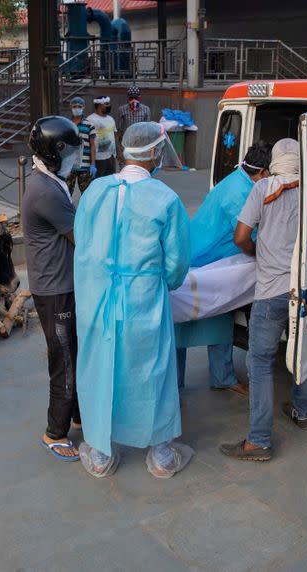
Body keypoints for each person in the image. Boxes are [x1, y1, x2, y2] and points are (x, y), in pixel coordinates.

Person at [74, 122, 193, 478]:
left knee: (100, 368)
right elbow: (176, 262)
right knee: (150, 371)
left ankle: (100, 451)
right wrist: (163, 284)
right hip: (143, 299)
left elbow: (82, 242)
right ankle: (160, 454)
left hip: (97, 297)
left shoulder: (95, 191)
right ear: (155, 154)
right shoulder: (166, 199)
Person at [220, 138, 307, 462]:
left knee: (259, 362)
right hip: (305, 289)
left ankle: (258, 441)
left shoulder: (263, 189)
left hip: (272, 291)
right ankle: (301, 410)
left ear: (274, 162)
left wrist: (259, 253)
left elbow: (240, 237)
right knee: (303, 350)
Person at [175, 142, 273, 395]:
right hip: (203, 263)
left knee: (220, 318)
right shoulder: (240, 193)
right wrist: (262, 256)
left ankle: (223, 377)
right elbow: (243, 238)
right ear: (263, 173)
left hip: (211, 260)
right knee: (181, 323)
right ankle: (175, 385)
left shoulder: (239, 178)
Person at [22, 115, 83, 462]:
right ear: (55, 152)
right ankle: (54, 433)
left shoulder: (49, 181)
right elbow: (80, 237)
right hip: (55, 288)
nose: (75, 160)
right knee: (64, 360)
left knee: (72, 351)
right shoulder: (45, 191)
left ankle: (77, 415)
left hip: (59, 283)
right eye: (71, 153)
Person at [65, 96, 97, 196]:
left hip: (85, 166)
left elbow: (92, 145)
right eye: (74, 106)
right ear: (71, 107)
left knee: (87, 194)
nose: (77, 108)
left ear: (83, 107)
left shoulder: (89, 125)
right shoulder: (67, 124)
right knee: (66, 193)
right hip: (70, 166)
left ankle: (86, 211)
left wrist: (93, 164)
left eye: (79, 106)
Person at [86, 96, 118, 177]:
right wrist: (92, 163)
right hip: (98, 159)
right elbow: (89, 142)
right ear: (99, 105)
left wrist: (118, 152)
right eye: (106, 104)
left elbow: (115, 136)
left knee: (110, 181)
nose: (109, 106)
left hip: (111, 157)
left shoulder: (111, 119)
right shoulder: (90, 120)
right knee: (98, 182)